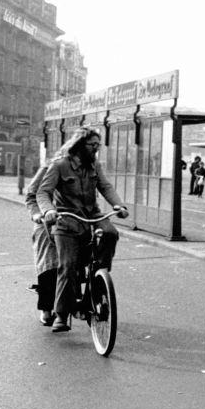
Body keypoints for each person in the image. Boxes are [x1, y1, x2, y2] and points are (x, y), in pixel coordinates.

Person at [36, 127, 129, 333]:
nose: (96, 149)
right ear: (80, 145)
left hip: (92, 215)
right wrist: (49, 210)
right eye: (92, 145)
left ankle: (100, 276)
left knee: (111, 233)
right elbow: (43, 192)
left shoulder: (94, 165)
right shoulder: (60, 165)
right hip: (66, 219)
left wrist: (119, 206)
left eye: (98, 145)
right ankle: (61, 314)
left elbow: (105, 187)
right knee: (67, 267)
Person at [25, 162, 59, 326]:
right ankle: (46, 309)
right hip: (46, 221)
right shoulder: (48, 168)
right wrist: (37, 214)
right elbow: (31, 196)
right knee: (49, 261)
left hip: (73, 221)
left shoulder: (84, 169)